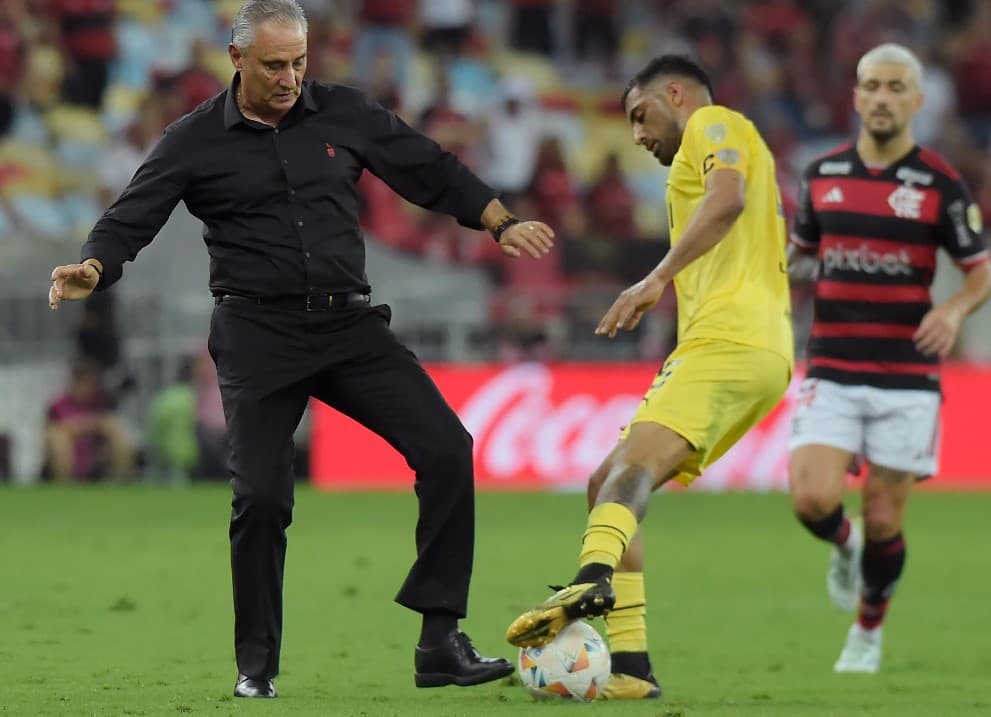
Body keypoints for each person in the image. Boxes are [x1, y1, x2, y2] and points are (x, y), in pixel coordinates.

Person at [48, 0, 555, 699]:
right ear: (236, 60)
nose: (290, 78)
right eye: (274, 65)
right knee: (260, 497)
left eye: (298, 63)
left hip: (349, 328)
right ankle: (256, 666)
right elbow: (131, 215)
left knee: (446, 448)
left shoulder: (341, 113)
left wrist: (498, 219)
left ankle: (439, 639)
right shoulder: (192, 139)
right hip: (257, 337)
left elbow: (424, 164)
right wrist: (94, 267)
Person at [505, 55, 794, 699]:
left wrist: (655, 279)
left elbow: (729, 199)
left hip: (731, 341)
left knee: (629, 469)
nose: (636, 135)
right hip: (731, 344)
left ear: (675, 94)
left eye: (640, 116)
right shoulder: (708, 158)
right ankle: (632, 669)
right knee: (602, 480)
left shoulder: (715, 124)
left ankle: (594, 578)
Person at [786, 43, 991, 674]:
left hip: (907, 375)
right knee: (811, 500)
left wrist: (952, 311)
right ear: (855, 95)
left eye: (896, 88)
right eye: (871, 85)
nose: (882, 97)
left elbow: (979, 272)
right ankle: (841, 546)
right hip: (833, 365)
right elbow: (802, 257)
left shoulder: (940, 183)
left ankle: (867, 631)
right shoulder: (820, 175)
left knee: (883, 515)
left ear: (916, 100)